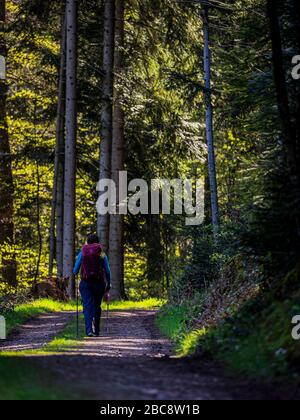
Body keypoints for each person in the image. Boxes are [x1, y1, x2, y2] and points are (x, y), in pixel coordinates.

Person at [73, 234, 111, 337]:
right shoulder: (101, 253)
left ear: (87, 242)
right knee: (96, 306)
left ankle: (89, 330)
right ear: (98, 242)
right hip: (99, 283)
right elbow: (107, 270)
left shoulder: (83, 253)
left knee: (87, 305)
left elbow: (75, 271)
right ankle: (97, 331)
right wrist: (108, 284)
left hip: (85, 283)